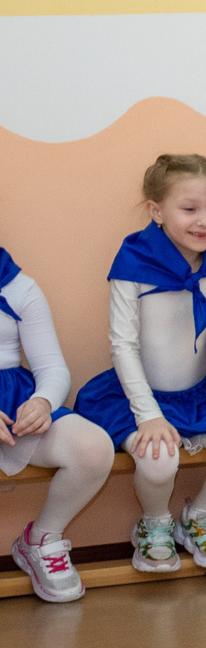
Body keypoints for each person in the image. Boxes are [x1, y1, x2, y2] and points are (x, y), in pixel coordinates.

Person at [64, 154, 206, 572]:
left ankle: (198, 517)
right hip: (138, 396)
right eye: (189, 209)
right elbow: (122, 345)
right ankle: (154, 523)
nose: (205, 221)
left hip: (201, 395)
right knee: (158, 458)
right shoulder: (132, 262)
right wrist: (148, 415)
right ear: (156, 211)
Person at [0, 244, 116, 601]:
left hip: (12, 398)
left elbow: (51, 368)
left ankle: (42, 539)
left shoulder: (19, 287)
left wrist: (42, 401)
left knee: (94, 448)